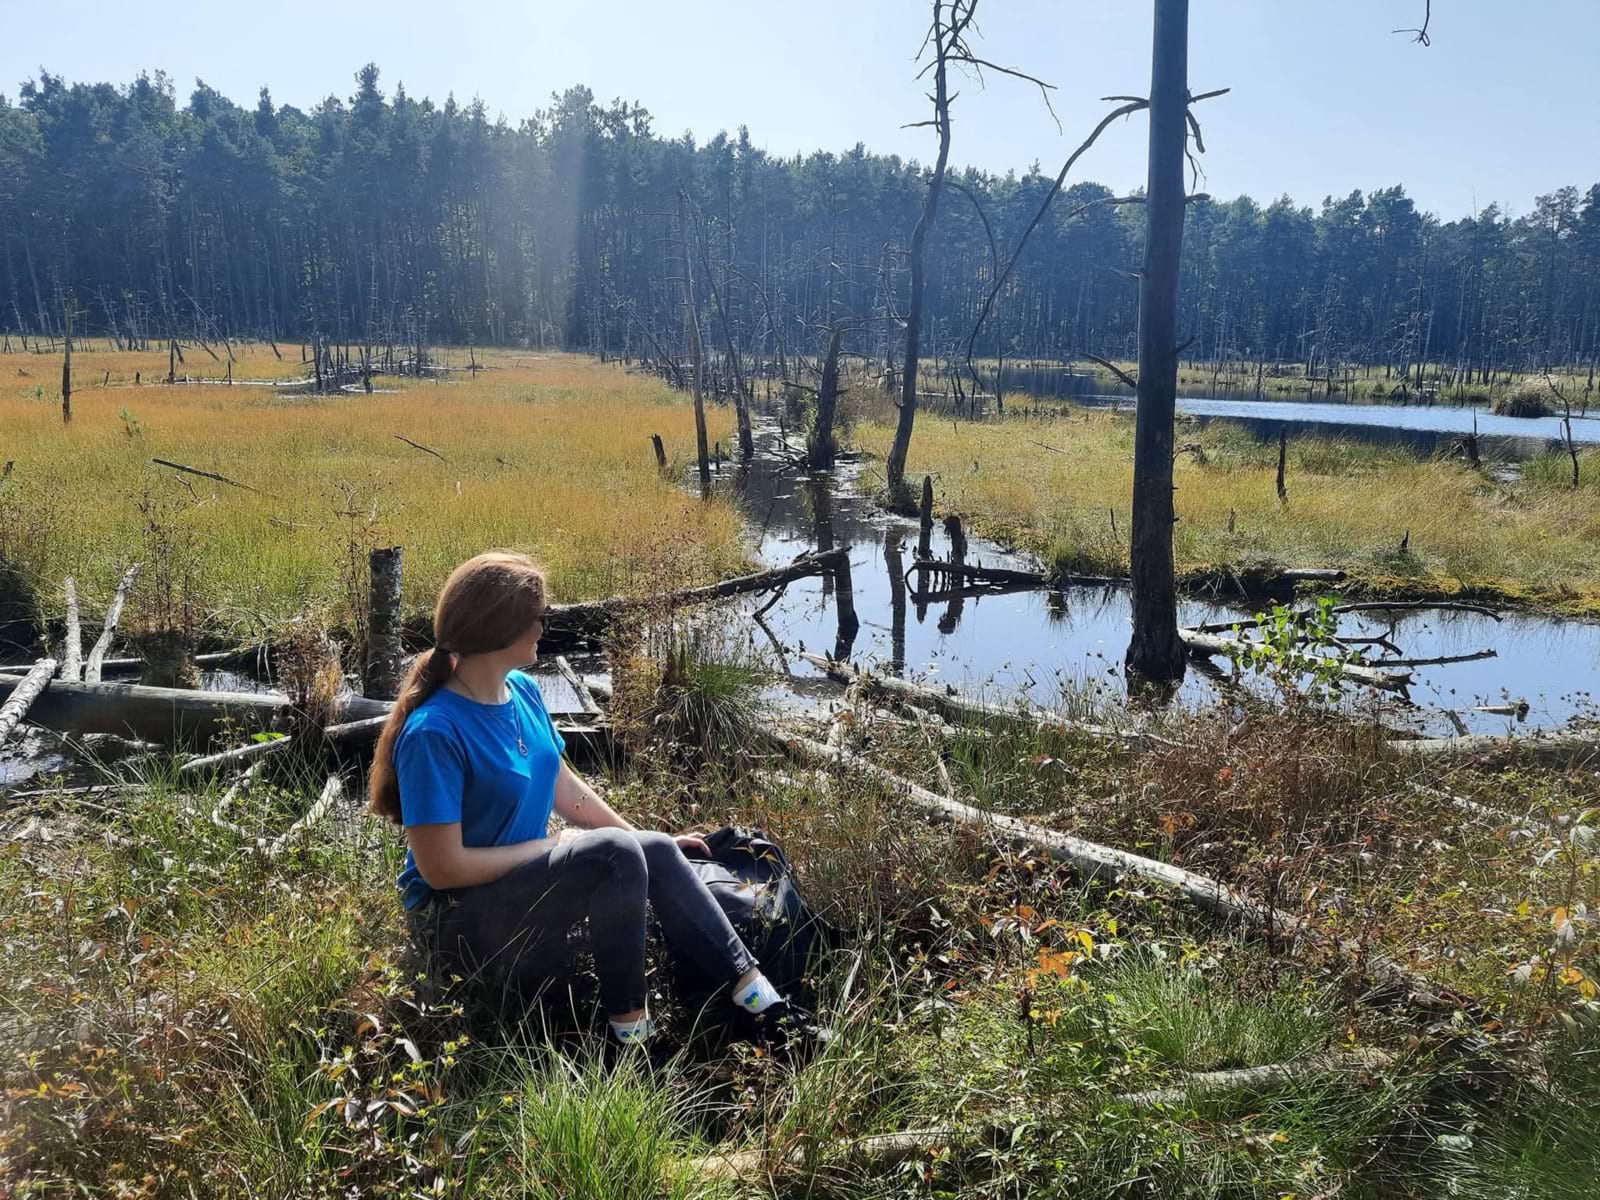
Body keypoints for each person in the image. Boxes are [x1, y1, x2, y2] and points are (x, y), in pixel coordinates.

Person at [368, 550, 798, 1048]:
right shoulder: (435, 732)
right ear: (498, 627)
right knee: (612, 853)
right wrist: (553, 846)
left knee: (650, 847)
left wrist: (643, 841)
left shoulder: (522, 691)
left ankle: (768, 1010)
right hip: (454, 922)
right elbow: (443, 870)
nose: (543, 627)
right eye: (538, 616)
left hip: (518, 890)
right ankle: (630, 1043)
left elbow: (562, 786)